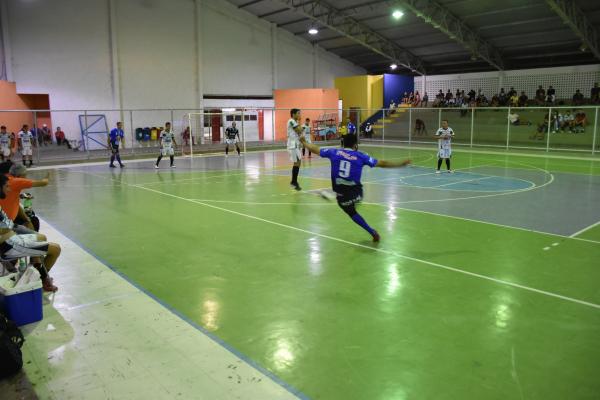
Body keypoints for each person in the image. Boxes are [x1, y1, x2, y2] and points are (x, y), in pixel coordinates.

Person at [299, 134, 410, 242]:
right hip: (357, 194)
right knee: (351, 203)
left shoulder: (334, 152)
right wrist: (400, 164)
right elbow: (383, 163)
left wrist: (304, 142)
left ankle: (371, 231)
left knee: (351, 212)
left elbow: (316, 149)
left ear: (342, 144)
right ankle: (371, 230)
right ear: (355, 145)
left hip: (342, 199)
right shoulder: (361, 156)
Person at [0, 174, 60, 292]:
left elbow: (7, 226)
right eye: (6, 186)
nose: (9, 189)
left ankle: (37, 273)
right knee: (56, 249)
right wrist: (11, 231)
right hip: (9, 246)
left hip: (12, 240)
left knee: (41, 237)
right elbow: (4, 230)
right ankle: (41, 279)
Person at [287, 109, 304, 191]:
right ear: (293, 114)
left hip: (296, 144)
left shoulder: (295, 122)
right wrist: (300, 126)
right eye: (298, 113)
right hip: (292, 144)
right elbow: (299, 130)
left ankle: (294, 181)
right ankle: (294, 182)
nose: (299, 115)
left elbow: (300, 132)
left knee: (298, 162)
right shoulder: (291, 121)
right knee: (297, 162)